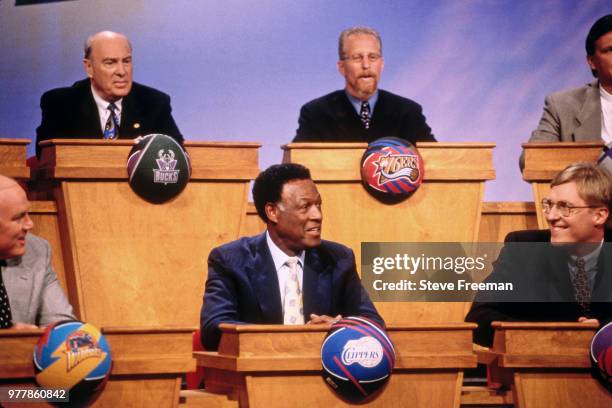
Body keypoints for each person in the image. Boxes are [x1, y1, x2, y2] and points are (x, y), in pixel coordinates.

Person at [200, 163, 383, 350]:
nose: (317, 215)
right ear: (272, 212)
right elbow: (213, 330)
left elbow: (374, 324)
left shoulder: (338, 259)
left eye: (318, 205)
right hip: (257, 374)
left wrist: (340, 329)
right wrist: (297, 339)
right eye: (305, 207)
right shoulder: (231, 260)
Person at [466, 162, 612, 346]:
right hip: (540, 369)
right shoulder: (524, 249)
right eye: (549, 205)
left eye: (565, 207)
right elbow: (479, 319)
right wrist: (555, 335)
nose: (551, 216)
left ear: (599, 215)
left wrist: (604, 333)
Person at [35, 31, 183, 157]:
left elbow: (178, 155)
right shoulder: (61, 103)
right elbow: (48, 159)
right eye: (110, 63)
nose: (122, 71)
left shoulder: (154, 102)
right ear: (89, 67)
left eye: (126, 61)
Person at [293, 26, 435, 144]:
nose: (366, 65)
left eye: (372, 57)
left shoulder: (408, 112)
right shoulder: (316, 113)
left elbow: (438, 161)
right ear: (342, 67)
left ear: (382, 65)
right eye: (357, 58)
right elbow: (297, 168)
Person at [521, 14, 612, 170]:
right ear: (592, 62)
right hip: (588, 192)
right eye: (610, 50)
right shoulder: (562, 105)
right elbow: (530, 161)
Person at [0, 175, 75, 329]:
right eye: (18, 217)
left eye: (27, 213)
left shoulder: (36, 250)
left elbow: (62, 325)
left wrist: (33, 340)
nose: (30, 224)